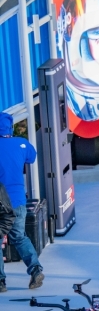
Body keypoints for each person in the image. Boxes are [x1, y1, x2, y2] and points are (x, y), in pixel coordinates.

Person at [0, 112, 44, 292]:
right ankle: (35, 270)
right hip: (17, 200)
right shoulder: (22, 143)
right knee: (19, 236)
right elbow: (31, 157)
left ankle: (1, 282)